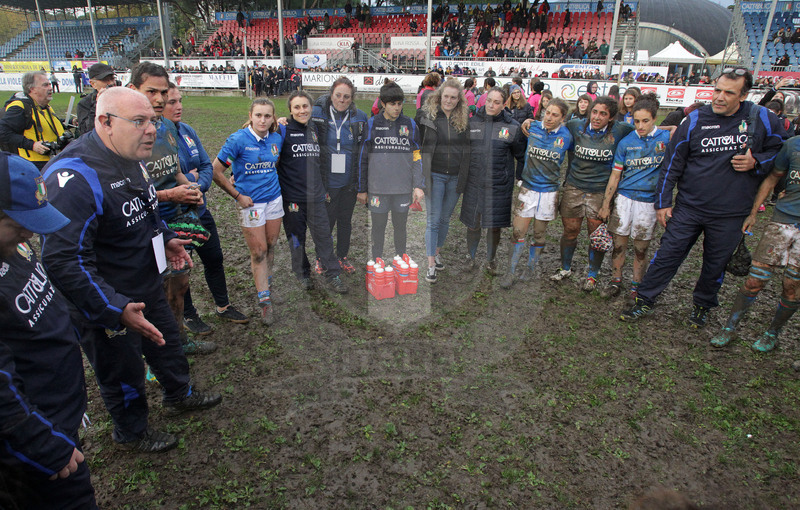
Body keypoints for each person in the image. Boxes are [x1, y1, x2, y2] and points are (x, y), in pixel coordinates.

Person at [41, 87, 222, 453]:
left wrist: (167, 237)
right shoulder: (74, 178)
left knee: (168, 343)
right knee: (122, 370)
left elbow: (148, 210)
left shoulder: (131, 156)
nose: (151, 130)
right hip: (106, 303)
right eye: (139, 121)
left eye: (152, 121)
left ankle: (178, 394)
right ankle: (131, 431)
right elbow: (62, 260)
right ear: (104, 122)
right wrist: (115, 309)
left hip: (146, 282)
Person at [621, 68, 788, 326]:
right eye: (717, 90)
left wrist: (757, 160)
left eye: (728, 93)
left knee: (715, 264)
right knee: (667, 254)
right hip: (689, 207)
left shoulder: (762, 117)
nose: (719, 97)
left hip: (731, 213)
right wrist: (664, 202)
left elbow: (781, 150)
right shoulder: (695, 119)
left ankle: (702, 306)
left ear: (743, 95)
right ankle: (644, 300)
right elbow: (672, 163)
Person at [0, 153, 97, 509]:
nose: (29, 233)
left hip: (58, 417)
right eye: (19, 223)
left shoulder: (10, 246)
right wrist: (42, 443)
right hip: (31, 444)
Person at [127, 62, 219, 355]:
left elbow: (175, 170)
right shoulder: (123, 135)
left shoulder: (166, 127)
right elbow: (126, 193)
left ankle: (179, 341)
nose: (158, 99)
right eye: (150, 91)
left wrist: (190, 190)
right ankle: (157, 354)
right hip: (146, 227)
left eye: (163, 92)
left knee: (179, 286)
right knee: (152, 294)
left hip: (175, 222)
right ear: (133, 90)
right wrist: (171, 195)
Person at [162, 84, 248, 333]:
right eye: (172, 102)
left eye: (180, 101)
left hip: (200, 210)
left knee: (215, 258)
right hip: (173, 216)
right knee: (181, 269)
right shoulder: (156, 138)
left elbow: (206, 166)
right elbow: (161, 179)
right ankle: (188, 315)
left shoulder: (187, 130)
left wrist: (196, 184)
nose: (178, 107)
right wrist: (189, 182)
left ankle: (223, 306)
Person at [710, 135, 800, 352]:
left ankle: (772, 333)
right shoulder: (793, 145)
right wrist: (753, 213)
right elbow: (772, 178)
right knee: (755, 280)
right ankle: (729, 328)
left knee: (792, 286)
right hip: (782, 220)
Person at [541, 96, 635, 290]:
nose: (597, 117)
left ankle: (592, 274)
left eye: (603, 114)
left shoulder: (621, 130)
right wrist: (528, 121)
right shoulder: (576, 125)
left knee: (596, 235)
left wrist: (670, 129)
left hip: (600, 191)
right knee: (570, 230)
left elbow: (645, 130)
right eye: (594, 112)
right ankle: (565, 268)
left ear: (610, 117)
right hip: (574, 187)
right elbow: (553, 123)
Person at [213, 99, 284, 324]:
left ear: (273, 118)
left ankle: (267, 284)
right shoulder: (238, 140)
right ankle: (264, 301)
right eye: (258, 115)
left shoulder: (276, 138)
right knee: (259, 251)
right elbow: (215, 170)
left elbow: (275, 163)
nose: (263, 120)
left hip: (274, 200)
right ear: (251, 116)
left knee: (271, 246)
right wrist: (237, 195)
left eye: (267, 116)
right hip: (251, 204)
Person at [597, 93, 670, 301]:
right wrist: (606, 204)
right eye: (636, 121)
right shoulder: (626, 142)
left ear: (654, 118)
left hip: (648, 202)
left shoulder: (666, 139)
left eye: (645, 121)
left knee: (641, 248)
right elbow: (615, 175)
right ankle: (615, 281)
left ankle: (637, 285)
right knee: (619, 244)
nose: (640, 125)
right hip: (624, 199)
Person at [279, 90, 348, 293]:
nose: (302, 110)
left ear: (311, 107)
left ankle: (332, 274)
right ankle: (303, 274)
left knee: (324, 237)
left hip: (316, 197)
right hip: (292, 199)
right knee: (297, 239)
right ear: (290, 110)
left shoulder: (317, 128)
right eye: (297, 107)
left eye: (305, 106)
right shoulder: (282, 130)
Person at [499, 99, 572, 288]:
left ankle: (531, 268)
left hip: (549, 192)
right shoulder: (533, 127)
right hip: (528, 189)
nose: (549, 117)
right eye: (547, 112)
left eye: (555, 115)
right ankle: (511, 272)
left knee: (539, 234)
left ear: (563, 118)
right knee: (518, 232)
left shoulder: (567, 136)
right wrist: (527, 121)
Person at [460, 87, 527, 274]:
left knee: (493, 226)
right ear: (484, 99)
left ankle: (491, 260)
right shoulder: (472, 123)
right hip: (474, 184)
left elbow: (521, 156)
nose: (491, 105)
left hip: (499, 186)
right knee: (473, 224)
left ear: (504, 104)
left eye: (496, 102)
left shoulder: (512, 127)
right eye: (489, 100)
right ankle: (470, 257)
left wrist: (519, 179)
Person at [358, 81, 425, 260]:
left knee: (400, 228)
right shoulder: (372, 124)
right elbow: (362, 159)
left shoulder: (410, 124)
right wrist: (362, 189)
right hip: (377, 189)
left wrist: (418, 185)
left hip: (402, 190)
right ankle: (377, 262)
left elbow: (417, 156)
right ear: (383, 104)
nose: (396, 108)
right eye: (392, 104)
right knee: (378, 229)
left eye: (399, 104)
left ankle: (400, 261)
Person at [311, 77, 368, 275]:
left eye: (347, 97)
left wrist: (362, 185)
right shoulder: (316, 113)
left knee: (345, 221)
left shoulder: (360, 117)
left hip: (349, 183)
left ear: (352, 98)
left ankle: (342, 256)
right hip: (327, 181)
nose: (342, 100)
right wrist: (283, 121)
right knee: (326, 222)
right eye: (338, 95)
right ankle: (321, 258)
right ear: (330, 94)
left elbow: (364, 151)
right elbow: (297, 126)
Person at [418, 77, 471, 283]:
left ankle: (437, 252)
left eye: (453, 98)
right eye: (446, 96)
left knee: (445, 219)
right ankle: (430, 263)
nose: (449, 101)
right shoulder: (426, 116)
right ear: (439, 97)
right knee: (433, 220)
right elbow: (417, 145)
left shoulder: (464, 119)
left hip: (455, 177)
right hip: (435, 175)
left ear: (459, 100)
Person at [0, 71, 67, 170]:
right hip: (33, 165)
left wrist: (69, 121)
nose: (50, 87)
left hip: (52, 160)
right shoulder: (20, 107)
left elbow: (45, 123)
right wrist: (32, 145)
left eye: (49, 84)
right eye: (45, 85)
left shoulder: (44, 106)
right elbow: (2, 132)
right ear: (32, 89)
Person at [76, 63, 116, 135]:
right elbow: (86, 131)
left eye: (112, 79)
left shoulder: (122, 99)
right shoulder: (85, 103)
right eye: (105, 80)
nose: (110, 83)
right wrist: (97, 105)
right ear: (93, 84)